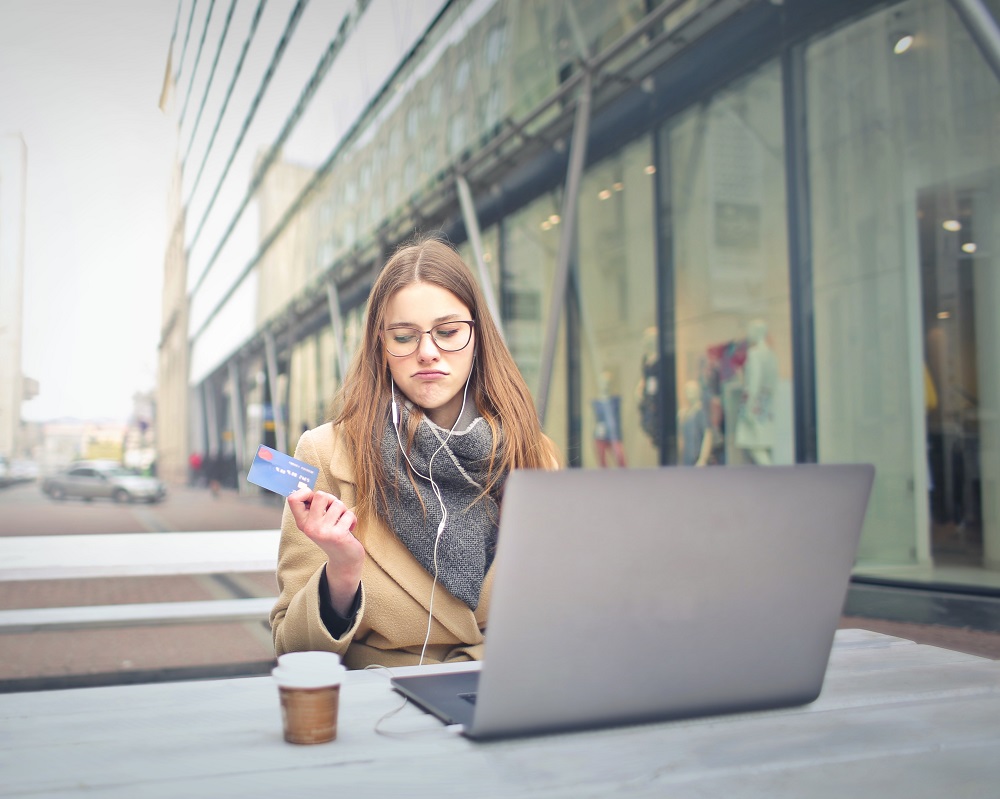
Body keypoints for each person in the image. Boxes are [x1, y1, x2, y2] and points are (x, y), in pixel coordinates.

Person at [270, 236, 559, 669]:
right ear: (380, 347)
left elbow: (559, 605)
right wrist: (342, 574)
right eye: (404, 336)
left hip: (508, 691)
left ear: (478, 337)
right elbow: (291, 648)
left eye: (448, 332)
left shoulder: (533, 453)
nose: (427, 352)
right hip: (385, 707)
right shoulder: (323, 452)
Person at [734, 318, 778, 465]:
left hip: (755, 405)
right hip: (767, 406)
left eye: (750, 330)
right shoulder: (771, 354)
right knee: (761, 445)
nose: (748, 334)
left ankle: (771, 476)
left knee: (755, 445)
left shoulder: (755, 354)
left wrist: (748, 408)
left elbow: (754, 383)